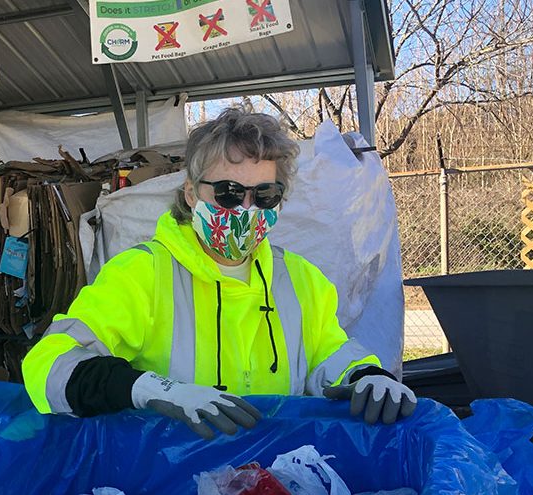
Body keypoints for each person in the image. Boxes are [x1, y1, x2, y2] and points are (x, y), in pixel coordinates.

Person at [22, 108, 416, 439]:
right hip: (167, 487)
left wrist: (366, 374)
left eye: (264, 196)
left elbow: (327, 353)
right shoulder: (140, 273)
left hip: (272, 480)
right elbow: (48, 364)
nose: (246, 209)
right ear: (192, 194)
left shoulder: (301, 280)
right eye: (228, 192)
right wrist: (148, 388)